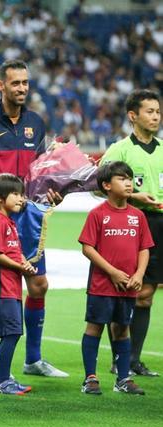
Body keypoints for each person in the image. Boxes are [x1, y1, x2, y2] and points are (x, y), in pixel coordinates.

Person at [0, 59, 68, 379]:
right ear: (1, 86)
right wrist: (5, 194)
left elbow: (39, 172)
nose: (22, 88)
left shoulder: (36, 122)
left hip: (30, 217)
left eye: (25, 82)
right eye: (15, 83)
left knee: (38, 284)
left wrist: (52, 190)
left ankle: (33, 359)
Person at [100, 89, 161, 377]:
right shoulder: (119, 150)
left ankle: (133, 359)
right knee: (129, 291)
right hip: (132, 223)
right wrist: (135, 196)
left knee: (148, 293)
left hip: (159, 224)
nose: (156, 116)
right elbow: (97, 185)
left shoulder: (162, 149)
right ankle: (119, 359)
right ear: (132, 116)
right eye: (150, 111)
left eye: (158, 112)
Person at [79, 161, 153, 395]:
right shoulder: (97, 214)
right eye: (122, 179)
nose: (129, 183)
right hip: (102, 285)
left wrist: (140, 274)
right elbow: (88, 248)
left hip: (129, 286)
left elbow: (144, 248)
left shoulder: (137, 216)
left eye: (130, 179)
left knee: (122, 329)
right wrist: (111, 272)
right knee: (95, 327)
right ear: (106, 185)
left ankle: (123, 379)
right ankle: (90, 378)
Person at [0, 173, 37, 395]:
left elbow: (14, 252)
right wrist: (20, 267)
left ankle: (4, 380)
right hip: (1, 288)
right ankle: (2, 382)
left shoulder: (9, 222)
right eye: (14, 194)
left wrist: (25, 263)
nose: (20, 199)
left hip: (11, 287)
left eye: (21, 194)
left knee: (12, 333)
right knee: (12, 333)